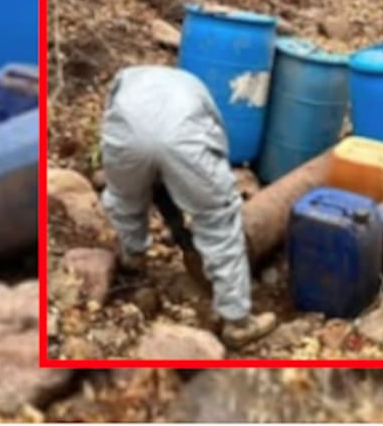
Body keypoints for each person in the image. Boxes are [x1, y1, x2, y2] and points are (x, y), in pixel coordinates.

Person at [98, 65, 277, 349]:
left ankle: (132, 255)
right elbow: (215, 139)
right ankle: (238, 321)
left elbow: (112, 124)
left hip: (127, 133)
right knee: (219, 220)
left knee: (125, 199)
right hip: (184, 140)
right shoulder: (194, 86)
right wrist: (208, 191)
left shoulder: (125, 80)